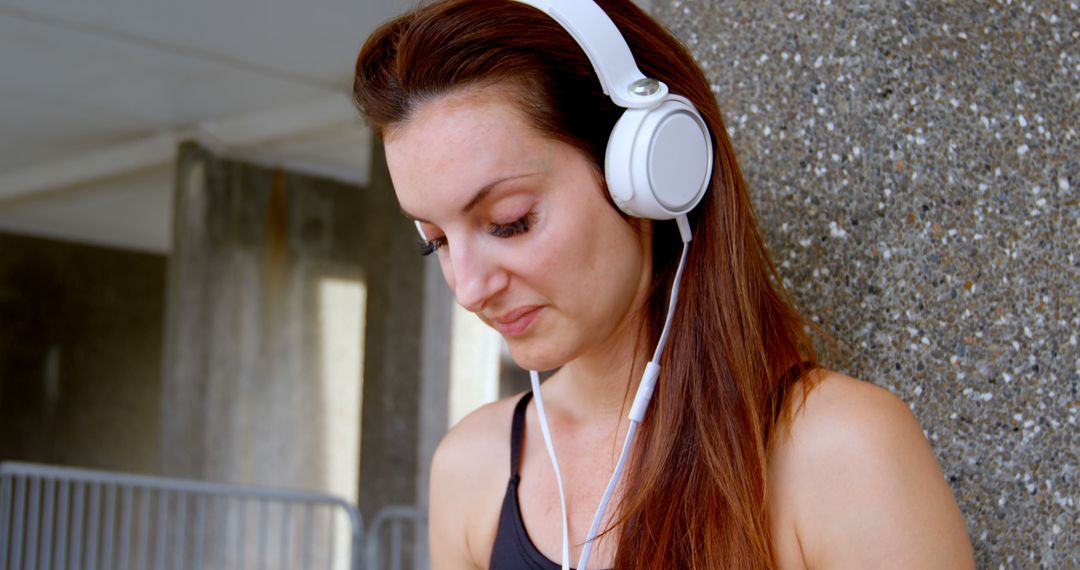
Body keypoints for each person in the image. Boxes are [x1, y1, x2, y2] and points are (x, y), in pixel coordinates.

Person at [353, 0, 975, 568]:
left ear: (648, 171)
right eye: (434, 240)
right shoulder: (472, 467)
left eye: (509, 222)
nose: (468, 288)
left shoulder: (840, 450)